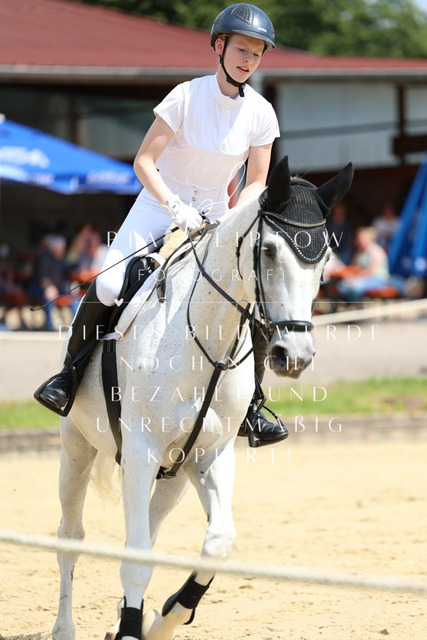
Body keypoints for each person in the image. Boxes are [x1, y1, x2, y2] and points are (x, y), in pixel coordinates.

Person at [34, 3, 287, 444]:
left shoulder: (262, 112)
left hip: (217, 213)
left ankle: (252, 405)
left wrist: (233, 219)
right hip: (159, 202)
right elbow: (144, 161)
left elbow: (256, 182)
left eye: (256, 53)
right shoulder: (185, 96)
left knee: (250, 301)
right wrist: (174, 207)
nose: (248, 59)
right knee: (110, 284)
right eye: (241, 49)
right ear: (220, 46)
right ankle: (68, 377)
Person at [337, 226, 389, 301]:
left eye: (361, 238)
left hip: (378, 279)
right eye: (358, 238)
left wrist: (357, 277)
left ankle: (356, 305)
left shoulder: (377, 251)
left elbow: (371, 272)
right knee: (342, 286)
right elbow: (353, 268)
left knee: (356, 288)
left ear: (369, 239)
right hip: (361, 278)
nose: (358, 240)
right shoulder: (359, 253)